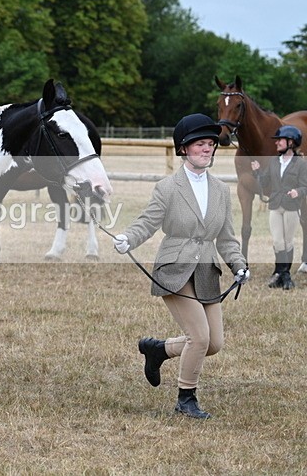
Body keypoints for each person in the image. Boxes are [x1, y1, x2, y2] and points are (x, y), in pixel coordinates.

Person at [112, 113, 249, 419]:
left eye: (211, 144)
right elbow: (148, 222)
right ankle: (186, 399)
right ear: (184, 149)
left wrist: (239, 265)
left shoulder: (221, 190)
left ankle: (158, 349)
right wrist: (127, 239)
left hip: (205, 271)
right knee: (198, 338)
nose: (207, 149)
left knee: (214, 343)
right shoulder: (168, 187)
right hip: (174, 269)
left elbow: (226, 238)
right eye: (200, 144)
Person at [251, 125, 307, 290]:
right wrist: (257, 172)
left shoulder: (300, 164)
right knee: (277, 241)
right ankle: (284, 275)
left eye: (280, 141)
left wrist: (298, 191)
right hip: (275, 205)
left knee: (288, 241)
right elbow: (265, 182)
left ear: (291, 142)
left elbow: (305, 186)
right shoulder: (274, 161)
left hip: (291, 207)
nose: (276, 144)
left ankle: (282, 274)